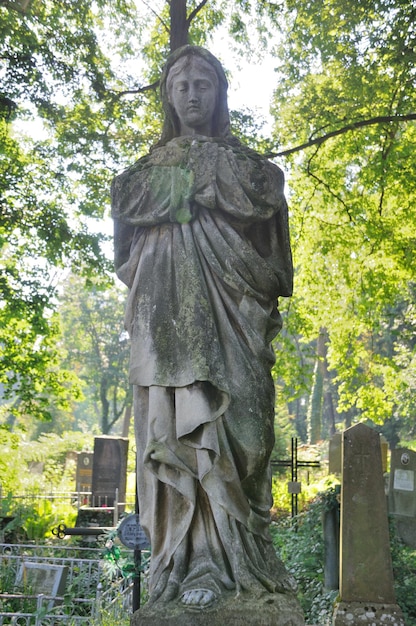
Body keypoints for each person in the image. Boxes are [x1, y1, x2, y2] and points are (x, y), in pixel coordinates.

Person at [111, 45, 294, 610]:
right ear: (168, 95)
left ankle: (240, 554)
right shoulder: (143, 176)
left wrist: (191, 188)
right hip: (166, 318)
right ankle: (189, 559)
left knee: (245, 432)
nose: (192, 94)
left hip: (234, 317)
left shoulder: (247, 171)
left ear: (220, 95)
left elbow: (271, 224)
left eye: (203, 85)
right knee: (176, 431)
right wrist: (182, 191)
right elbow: (124, 234)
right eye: (181, 85)